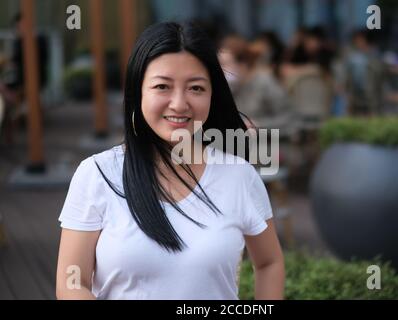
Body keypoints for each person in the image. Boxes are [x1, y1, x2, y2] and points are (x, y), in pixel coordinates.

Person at [56, 22, 285, 300]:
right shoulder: (97, 174)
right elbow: (72, 282)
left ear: (213, 94)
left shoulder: (239, 175)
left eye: (196, 88)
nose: (179, 103)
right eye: (162, 86)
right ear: (138, 91)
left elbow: (269, 263)